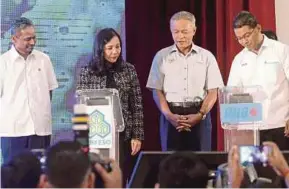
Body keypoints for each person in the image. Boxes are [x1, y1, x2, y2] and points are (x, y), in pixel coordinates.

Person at [146, 11, 224, 151]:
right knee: (171, 165)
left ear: (194, 30)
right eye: (175, 32)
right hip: (171, 115)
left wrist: (200, 115)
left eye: (184, 32)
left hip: (199, 114)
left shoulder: (206, 57)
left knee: (201, 164)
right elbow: (156, 90)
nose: (180, 36)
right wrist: (169, 115)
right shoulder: (161, 56)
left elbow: (213, 91)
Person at [76, 28, 144, 184]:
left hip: (123, 134)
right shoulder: (87, 72)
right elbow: (81, 106)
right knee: (97, 177)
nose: (115, 52)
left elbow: (137, 105)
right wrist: (81, 140)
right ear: (100, 49)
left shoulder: (129, 70)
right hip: (97, 135)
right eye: (110, 48)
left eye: (118, 47)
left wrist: (137, 136)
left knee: (120, 175)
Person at [227, 11, 289, 150]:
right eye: (239, 38)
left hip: (280, 124)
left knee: (281, 169)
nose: (244, 41)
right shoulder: (239, 59)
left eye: (246, 35)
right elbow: (232, 93)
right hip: (251, 128)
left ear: (258, 28)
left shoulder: (281, 50)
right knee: (253, 170)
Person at [0, 17, 58, 164]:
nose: (32, 42)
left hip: (40, 130)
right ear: (14, 38)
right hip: (13, 132)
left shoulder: (44, 60)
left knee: (40, 176)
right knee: (14, 179)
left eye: (34, 38)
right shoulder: (3, 63)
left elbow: (49, 91)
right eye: (27, 39)